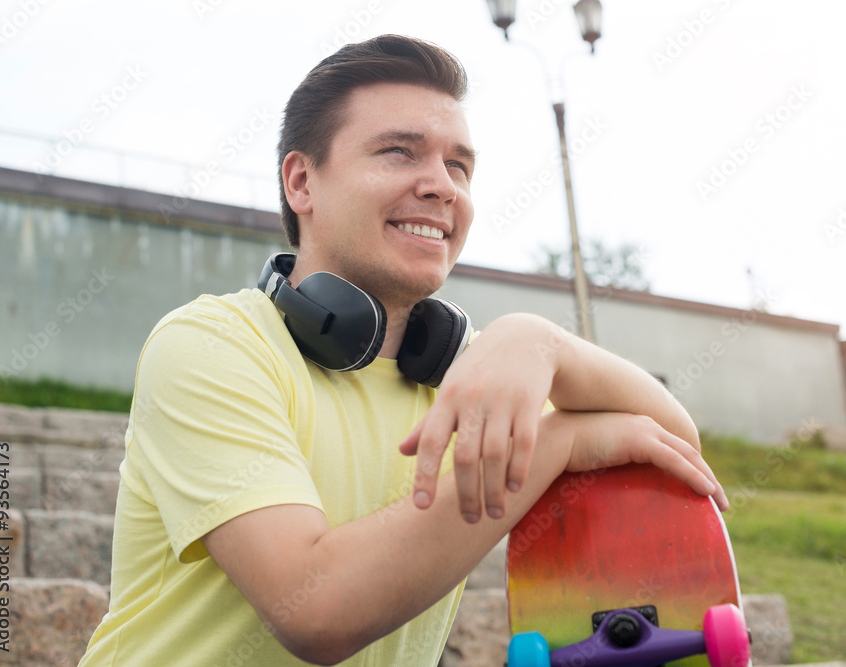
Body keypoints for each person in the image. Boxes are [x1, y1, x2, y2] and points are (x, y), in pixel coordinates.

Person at [79, 34, 727, 667]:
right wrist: (558, 442)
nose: (442, 186)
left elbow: (670, 445)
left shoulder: (469, 369)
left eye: (459, 165)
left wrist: (541, 339)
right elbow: (316, 610)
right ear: (302, 181)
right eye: (399, 152)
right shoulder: (211, 345)